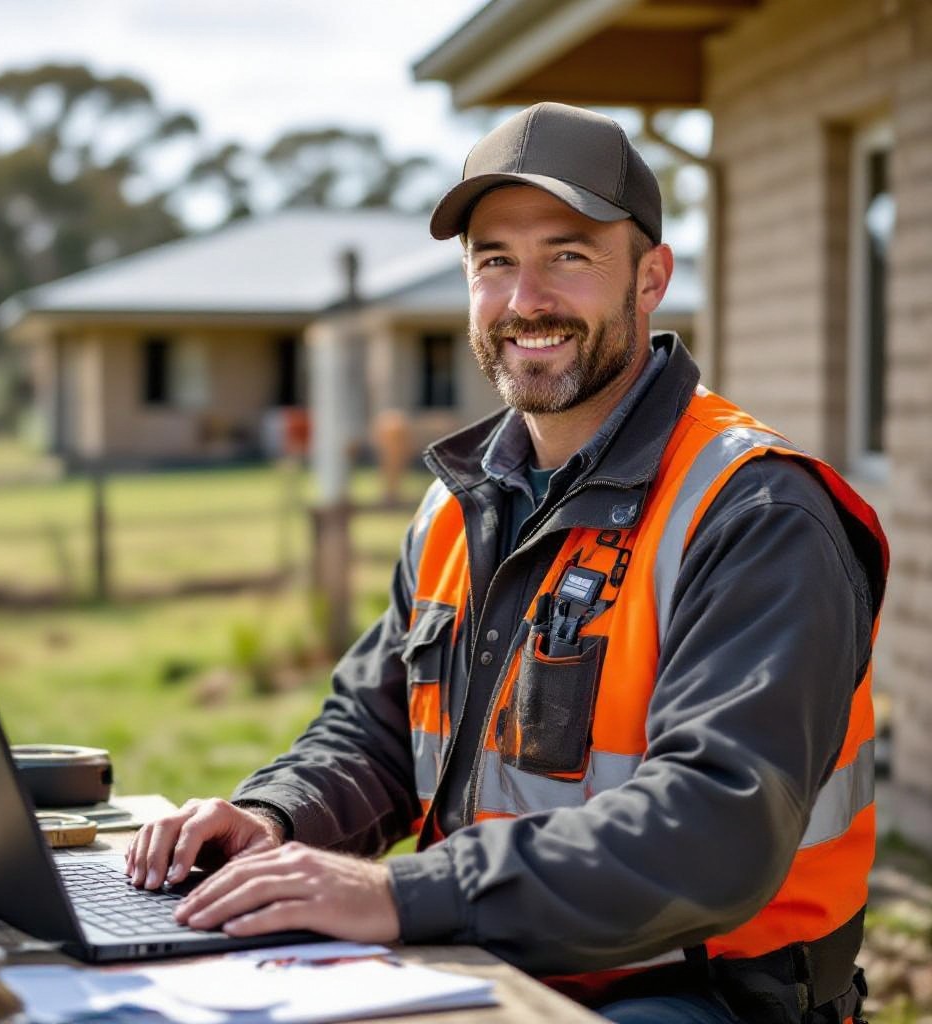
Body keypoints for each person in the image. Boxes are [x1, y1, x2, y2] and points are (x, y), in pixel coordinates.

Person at [127, 103, 888, 1024]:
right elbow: (376, 730)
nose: (526, 298)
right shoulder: (460, 500)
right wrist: (276, 817)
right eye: (495, 261)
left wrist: (405, 897)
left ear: (651, 279)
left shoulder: (756, 512)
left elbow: (714, 827)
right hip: (485, 955)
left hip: (700, 994)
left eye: (567, 255)